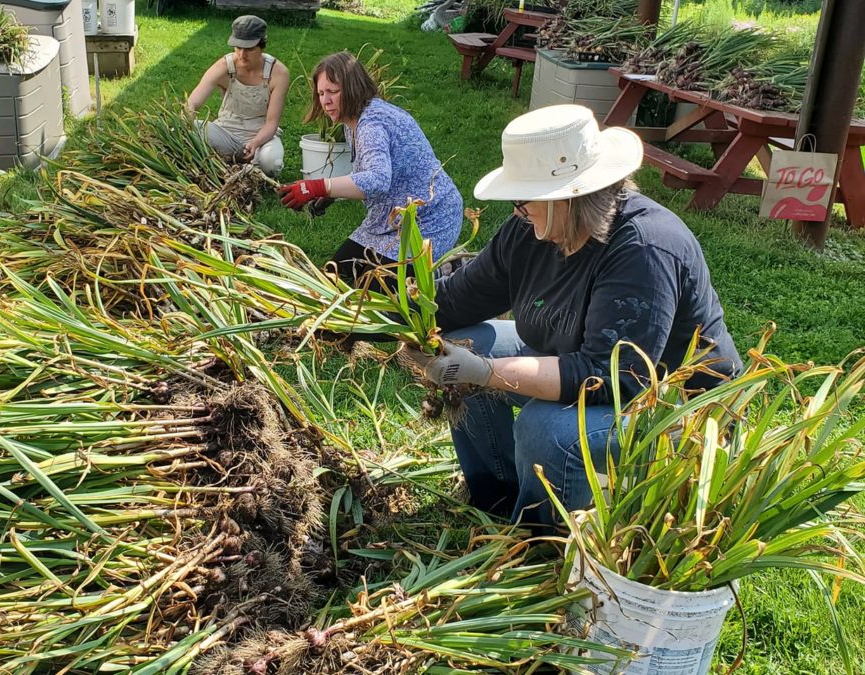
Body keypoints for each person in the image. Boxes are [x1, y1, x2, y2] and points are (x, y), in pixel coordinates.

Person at [403, 104, 742, 530]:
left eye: (523, 198)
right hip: (583, 367)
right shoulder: (529, 231)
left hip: (669, 406)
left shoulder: (644, 249)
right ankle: (498, 499)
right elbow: (458, 301)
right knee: (468, 340)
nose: (515, 210)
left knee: (546, 429)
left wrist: (488, 373)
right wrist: (394, 322)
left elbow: (610, 378)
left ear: (567, 197)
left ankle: (546, 536)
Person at [278, 52, 463, 286]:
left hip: (429, 219)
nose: (325, 101)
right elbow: (369, 169)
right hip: (390, 218)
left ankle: (448, 270)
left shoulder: (371, 124)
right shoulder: (353, 120)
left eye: (332, 92)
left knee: (377, 287)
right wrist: (329, 194)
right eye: (321, 94)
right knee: (336, 276)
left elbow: (377, 179)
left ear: (353, 87)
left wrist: (318, 186)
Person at [187, 15, 289, 177]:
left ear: (262, 45)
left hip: (261, 137)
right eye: (237, 47)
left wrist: (255, 143)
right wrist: (184, 127)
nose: (242, 54)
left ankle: (234, 164)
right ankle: (236, 165)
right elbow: (192, 103)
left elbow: (272, 122)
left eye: (249, 49)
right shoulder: (224, 67)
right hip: (225, 133)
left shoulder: (278, 73)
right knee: (187, 131)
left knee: (272, 163)